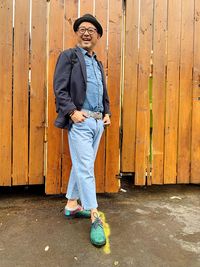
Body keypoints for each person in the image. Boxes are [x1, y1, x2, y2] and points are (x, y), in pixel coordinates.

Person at [53, 14, 111, 247]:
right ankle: (95, 216)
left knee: (81, 165)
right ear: (77, 33)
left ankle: (71, 205)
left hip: (98, 123)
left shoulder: (97, 62)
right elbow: (60, 89)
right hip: (80, 121)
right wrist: (71, 112)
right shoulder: (69, 57)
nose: (87, 32)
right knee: (86, 168)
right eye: (82, 29)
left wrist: (107, 112)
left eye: (91, 30)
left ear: (97, 36)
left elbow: (102, 92)